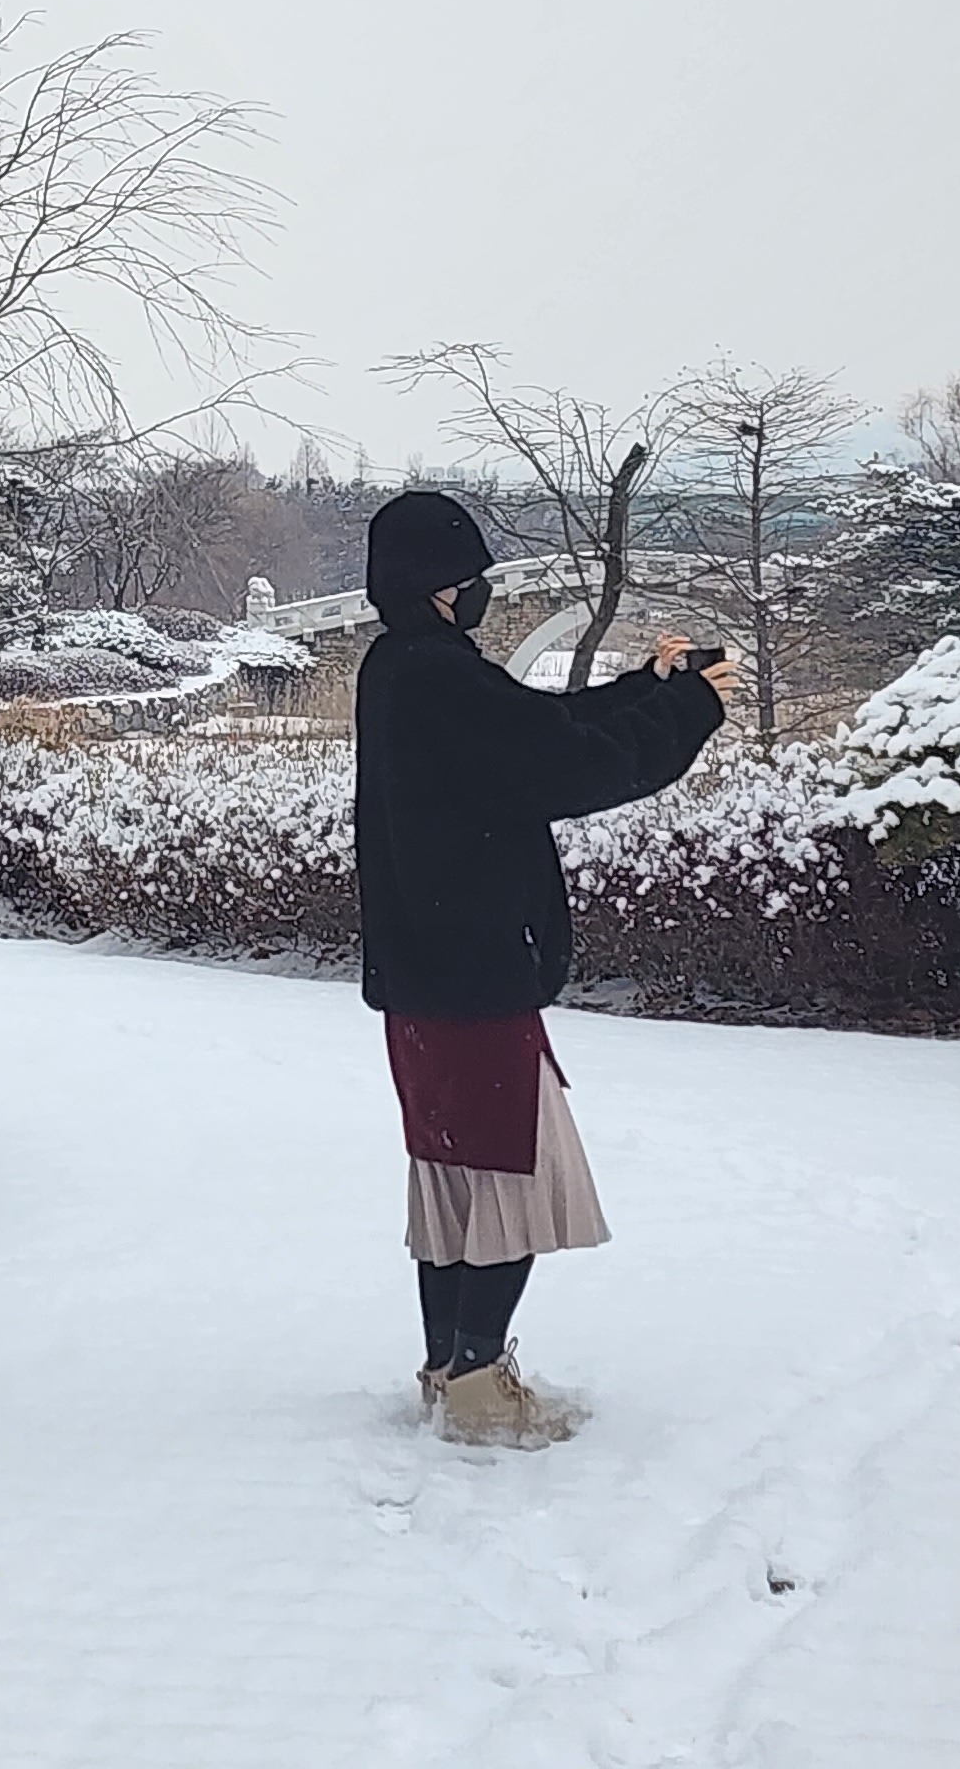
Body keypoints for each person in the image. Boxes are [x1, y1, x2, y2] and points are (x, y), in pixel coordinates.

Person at [353, 487, 729, 1449]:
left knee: (454, 1183)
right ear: (440, 586)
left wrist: (651, 685)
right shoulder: (438, 679)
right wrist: (688, 710)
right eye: (469, 578)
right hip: (475, 974)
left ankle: (450, 1371)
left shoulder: (402, 669)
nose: (479, 592)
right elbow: (563, 767)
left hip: (427, 975)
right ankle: (478, 1388)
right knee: (515, 1183)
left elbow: (536, 729)